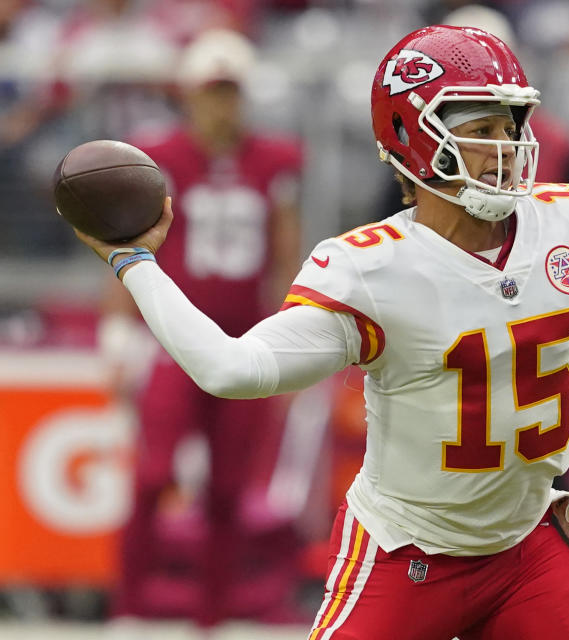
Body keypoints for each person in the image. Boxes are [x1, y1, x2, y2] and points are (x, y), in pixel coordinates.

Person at [77, 26, 569, 640]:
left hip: (522, 550)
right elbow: (233, 370)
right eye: (479, 128)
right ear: (414, 139)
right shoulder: (372, 270)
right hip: (406, 556)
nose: (504, 145)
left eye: (510, 123)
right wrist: (133, 262)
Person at [99, 28, 305, 628]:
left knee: (227, 490)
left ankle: (210, 618)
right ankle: (129, 610)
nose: (222, 105)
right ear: (189, 95)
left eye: (231, 92)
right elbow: (125, 246)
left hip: (244, 339)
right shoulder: (156, 158)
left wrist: (290, 339)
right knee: (153, 473)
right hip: (171, 340)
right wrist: (119, 335)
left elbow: (283, 257)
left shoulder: (275, 160)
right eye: (213, 92)